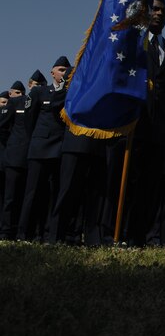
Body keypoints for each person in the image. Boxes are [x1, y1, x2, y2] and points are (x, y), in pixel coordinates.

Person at [126, 0, 165, 247]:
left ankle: (142, 237)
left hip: (159, 131)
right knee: (129, 182)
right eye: (154, 8)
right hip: (133, 126)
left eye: (163, 9)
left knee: (151, 187)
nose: (159, 13)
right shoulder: (132, 44)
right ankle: (120, 234)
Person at [48, 68, 108, 246]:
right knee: (67, 192)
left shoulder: (103, 81)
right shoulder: (76, 74)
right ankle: (57, 236)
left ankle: (90, 239)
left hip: (98, 144)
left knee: (95, 196)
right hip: (75, 143)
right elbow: (56, 106)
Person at [18, 56, 71, 241]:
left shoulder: (69, 92)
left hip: (59, 148)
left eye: (67, 70)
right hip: (40, 147)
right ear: (52, 72)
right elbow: (28, 119)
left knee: (53, 194)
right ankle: (24, 234)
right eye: (61, 70)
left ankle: (48, 235)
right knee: (32, 193)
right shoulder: (40, 92)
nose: (64, 73)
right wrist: (37, 138)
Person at [0, 80, 32, 239]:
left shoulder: (33, 104)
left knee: (23, 197)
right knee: (10, 197)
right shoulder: (15, 104)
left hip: (31, 155)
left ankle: (21, 231)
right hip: (14, 155)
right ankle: (6, 231)